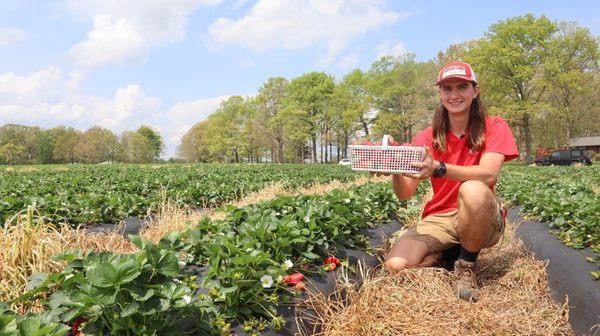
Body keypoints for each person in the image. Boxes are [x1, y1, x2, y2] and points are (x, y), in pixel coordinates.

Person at [381, 61, 519, 302]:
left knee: (473, 189)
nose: (454, 95)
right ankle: (445, 256)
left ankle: (466, 267)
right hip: (440, 217)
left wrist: (438, 168)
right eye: (447, 89)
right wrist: (395, 167)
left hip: (481, 214)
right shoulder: (427, 136)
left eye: (462, 87)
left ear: (475, 91)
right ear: (440, 94)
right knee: (395, 265)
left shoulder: (494, 126)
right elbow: (405, 194)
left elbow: (488, 174)